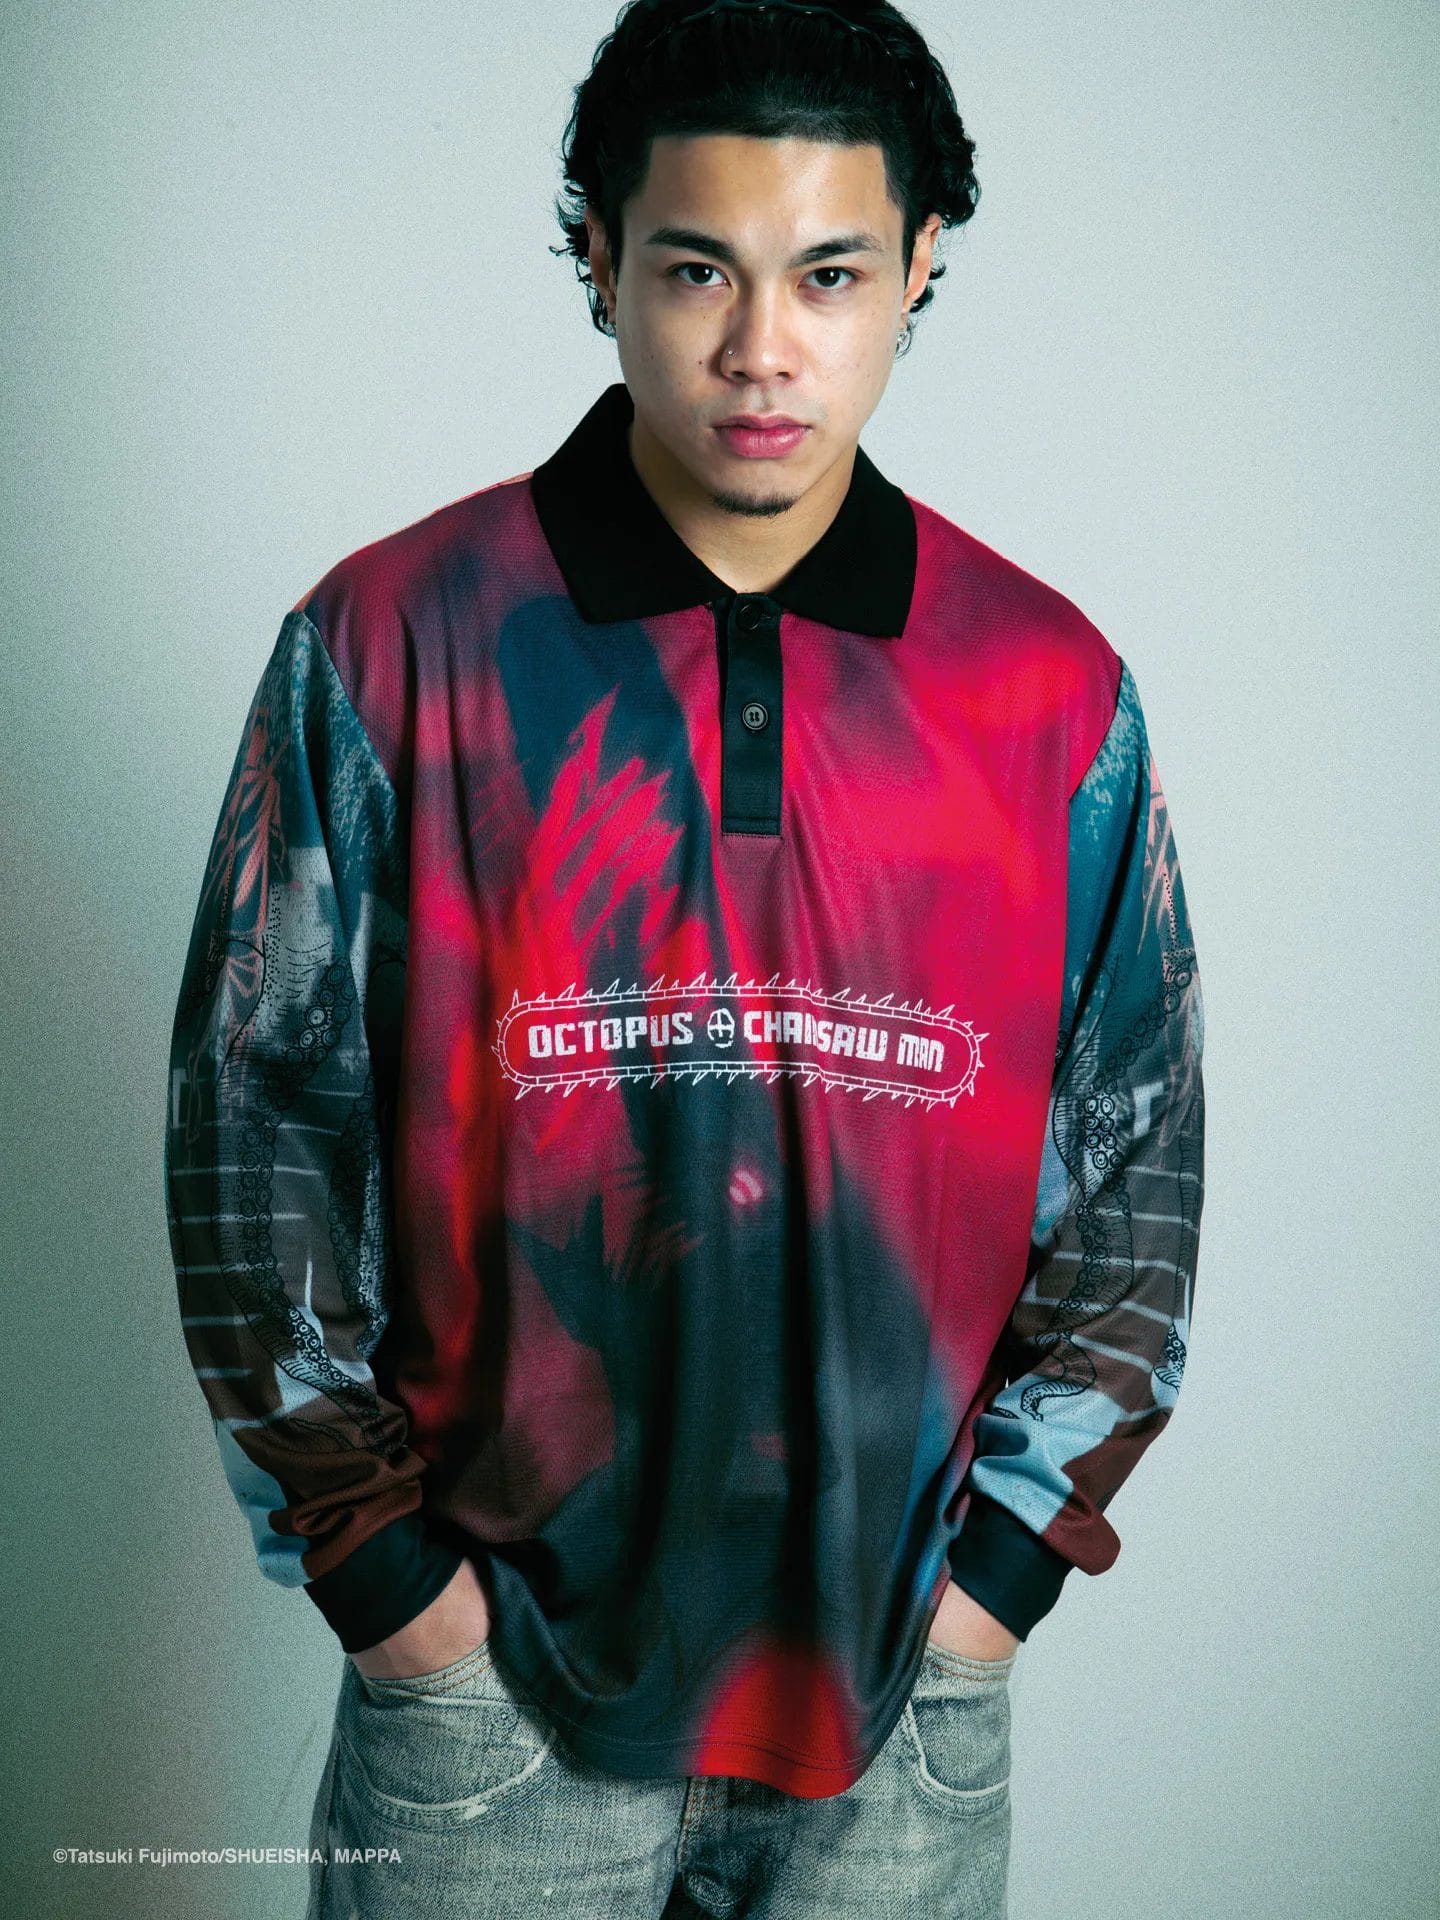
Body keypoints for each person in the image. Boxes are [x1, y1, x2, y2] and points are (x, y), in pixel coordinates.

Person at [162, 1, 1207, 1914]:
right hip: (491, 1710)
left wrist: (998, 1585)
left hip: (900, 1711)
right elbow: (256, 1136)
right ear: (600, 256)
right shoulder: (396, 640)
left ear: (921, 267)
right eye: (697, 269)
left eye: (830, 275)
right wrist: (389, 1591)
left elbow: (1136, 1156)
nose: (761, 349)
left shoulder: (1047, 689)